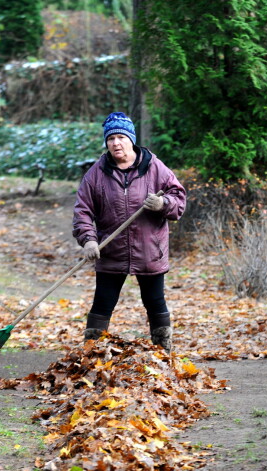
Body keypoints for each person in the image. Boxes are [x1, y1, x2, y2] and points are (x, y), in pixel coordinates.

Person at [72, 112, 186, 353]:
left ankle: (164, 354)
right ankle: (91, 355)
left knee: (155, 303)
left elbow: (179, 199)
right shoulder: (96, 173)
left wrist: (163, 204)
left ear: (131, 139)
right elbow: (82, 210)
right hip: (111, 251)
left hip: (150, 251)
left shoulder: (155, 167)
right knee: (102, 305)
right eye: (111, 138)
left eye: (121, 137)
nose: (116, 143)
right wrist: (89, 240)